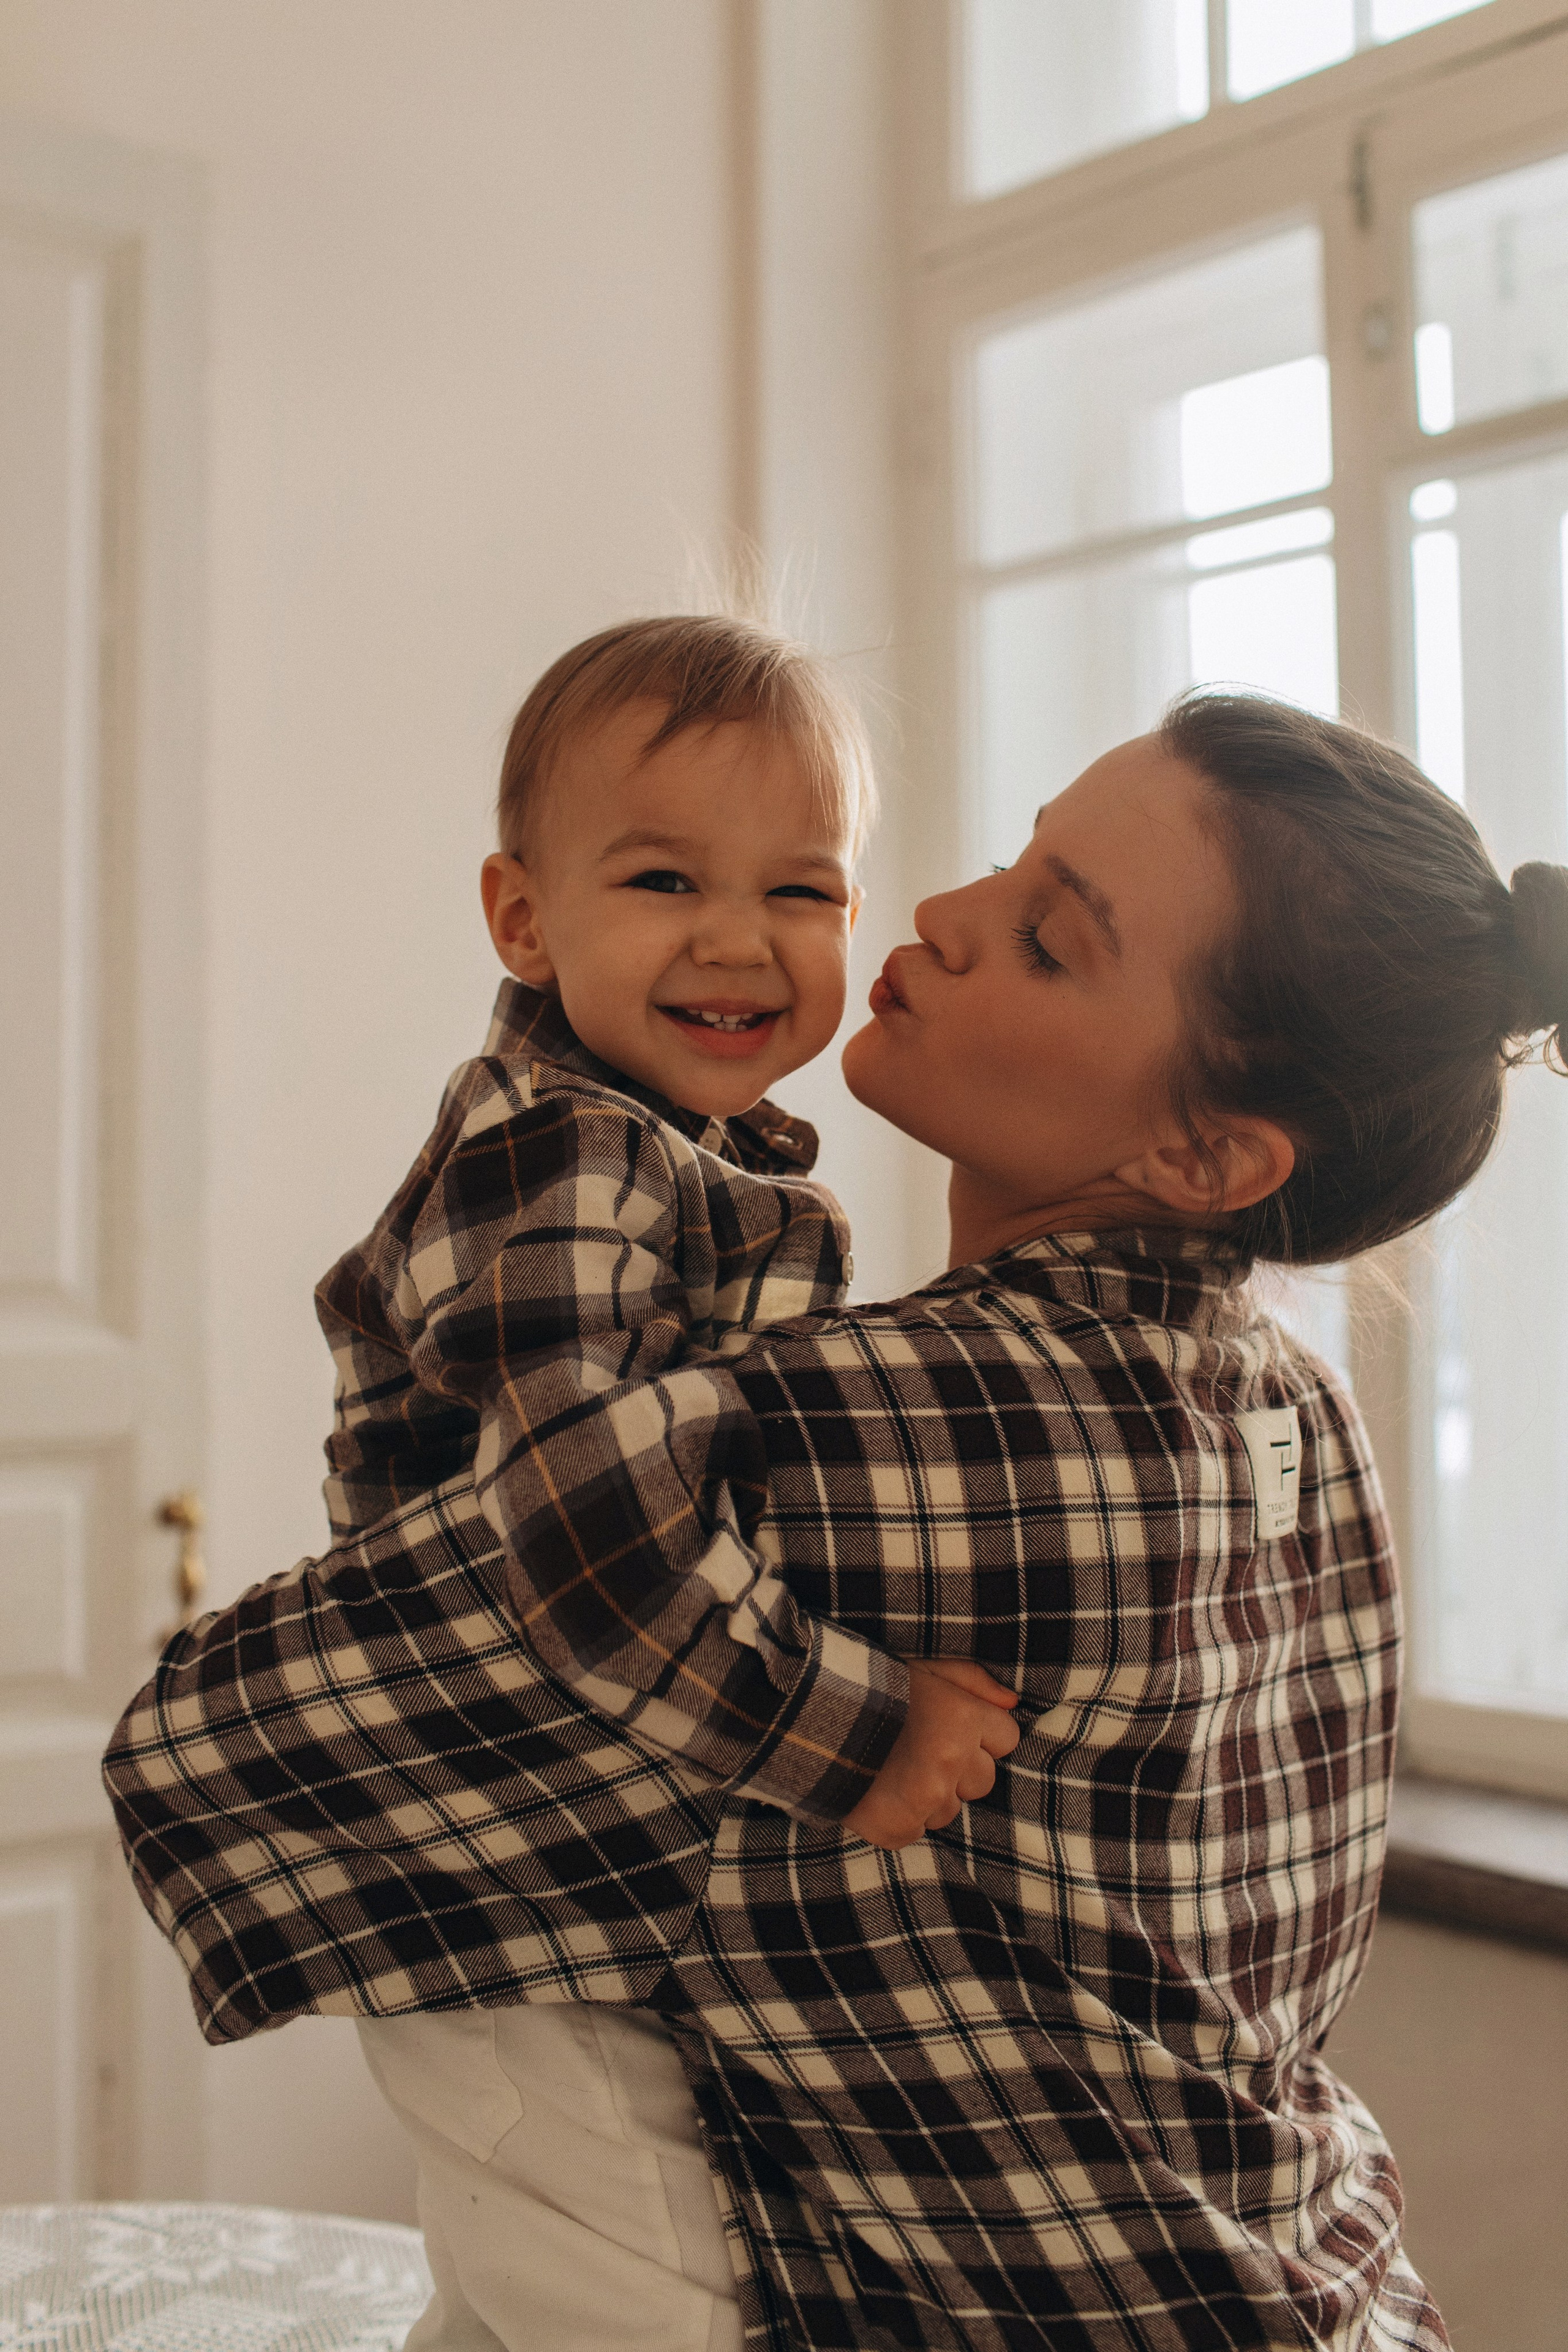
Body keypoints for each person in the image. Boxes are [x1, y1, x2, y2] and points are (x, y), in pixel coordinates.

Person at [107, 690, 1568, 2349]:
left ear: (1207, 1150)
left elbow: (216, 1748)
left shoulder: (869, 1434)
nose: (939, 913)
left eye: (1047, 939)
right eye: (1012, 860)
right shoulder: (1300, 1417)